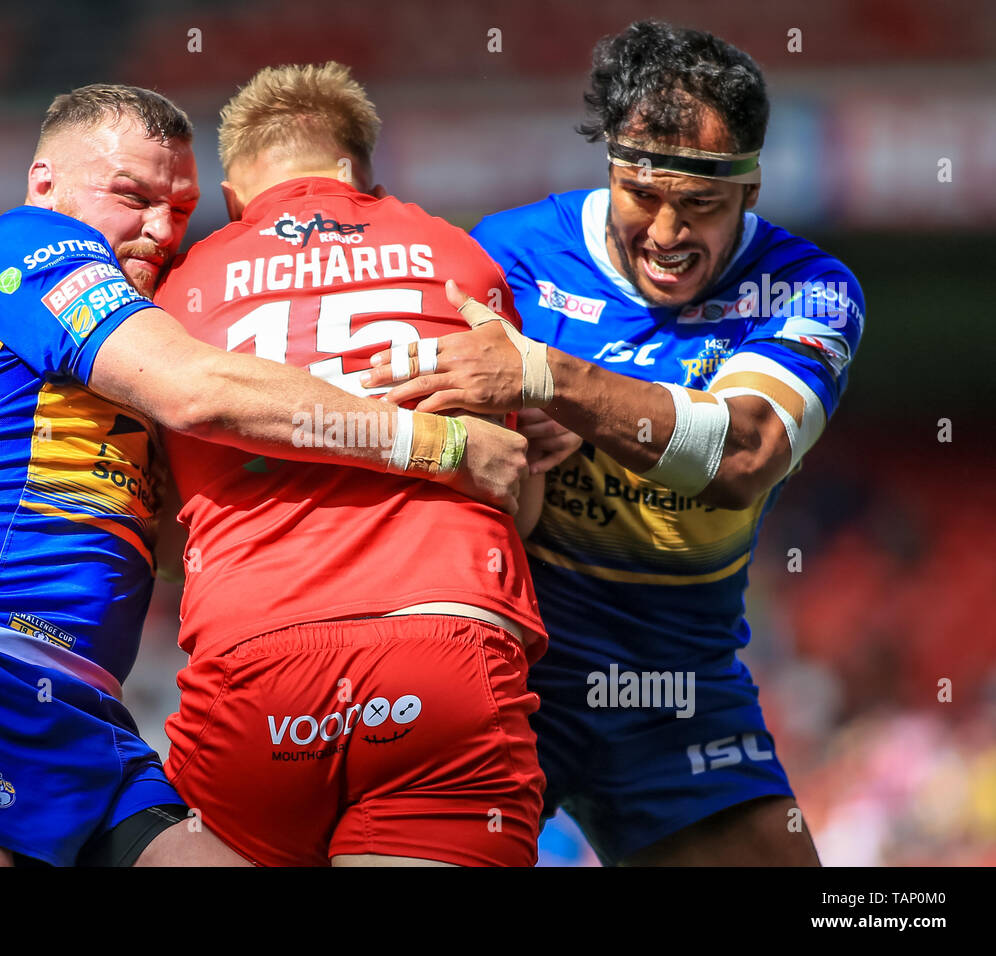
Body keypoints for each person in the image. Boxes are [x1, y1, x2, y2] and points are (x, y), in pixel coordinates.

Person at [0, 83, 527, 867]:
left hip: (90, 712)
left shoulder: (118, 333)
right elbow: (197, 390)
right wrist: (442, 446)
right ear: (43, 182)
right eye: (133, 195)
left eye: (182, 208)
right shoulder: (21, 243)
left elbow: (180, 535)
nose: (161, 230)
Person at [363, 21, 866, 865]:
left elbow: (741, 454)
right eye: (643, 195)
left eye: (699, 204)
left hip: (679, 687)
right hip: (505, 668)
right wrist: (492, 429)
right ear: (611, 171)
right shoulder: (510, 253)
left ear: (750, 190)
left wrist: (546, 380)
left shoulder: (810, 290)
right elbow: (414, 419)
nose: (667, 233)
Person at [153, 63, 548, 866]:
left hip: (254, 667)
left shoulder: (175, 293)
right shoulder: (458, 259)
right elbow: (517, 494)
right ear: (361, 172)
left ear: (233, 196)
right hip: (443, 653)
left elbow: (160, 547)